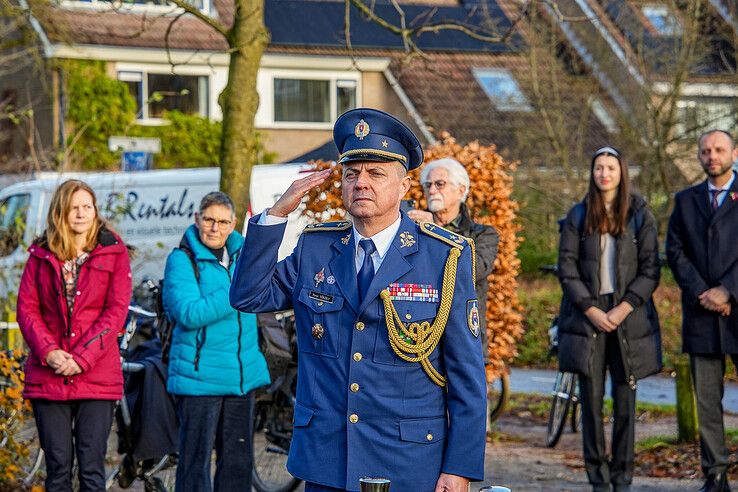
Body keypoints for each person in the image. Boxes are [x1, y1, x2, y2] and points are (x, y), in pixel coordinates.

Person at [230, 108, 487, 492]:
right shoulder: (316, 249)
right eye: (352, 174)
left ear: (403, 188)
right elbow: (249, 295)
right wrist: (276, 215)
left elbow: (467, 375)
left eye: (376, 173)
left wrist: (460, 468)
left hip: (408, 462)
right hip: (328, 460)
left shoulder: (443, 257)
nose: (361, 183)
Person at [557, 146, 661, 492]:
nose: (604, 173)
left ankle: (622, 477)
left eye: (610, 168)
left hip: (627, 315)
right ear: (592, 172)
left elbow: (650, 268)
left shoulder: (640, 214)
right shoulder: (578, 214)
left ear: (621, 172)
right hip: (588, 315)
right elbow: (567, 267)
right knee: (590, 401)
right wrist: (591, 309)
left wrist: (624, 307)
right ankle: (598, 480)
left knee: (625, 401)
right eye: (598, 167)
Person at [17, 179, 132, 491]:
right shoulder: (40, 255)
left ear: (95, 210)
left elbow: (116, 310)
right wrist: (50, 353)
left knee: (92, 468)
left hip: (96, 374)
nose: (81, 213)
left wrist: (82, 358)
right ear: (60, 213)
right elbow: (27, 309)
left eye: (87, 206)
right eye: (74, 208)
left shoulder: (114, 252)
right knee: (57, 469)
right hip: (49, 374)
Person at [163, 191, 270, 492]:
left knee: (238, 464)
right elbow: (189, 313)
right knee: (195, 465)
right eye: (209, 219)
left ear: (234, 223)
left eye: (223, 222)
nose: (215, 228)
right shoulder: (182, 259)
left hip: (241, 378)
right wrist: (240, 289)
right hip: (199, 379)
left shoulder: (245, 255)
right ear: (197, 219)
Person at [666, 129, 738, 492]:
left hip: (737, 310)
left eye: (719, 149)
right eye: (706, 150)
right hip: (700, 314)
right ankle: (716, 475)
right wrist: (703, 293)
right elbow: (675, 252)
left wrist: (729, 290)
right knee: (707, 403)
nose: (712, 156)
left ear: (734, 152)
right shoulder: (685, 200)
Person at [407, 157, 499, 361]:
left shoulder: (483, 234)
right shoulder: (413, 230)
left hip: (465, 334)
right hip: (421, 334)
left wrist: (435, 231)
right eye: (427, 185)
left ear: (461, 189)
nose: (431, 190)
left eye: (440, 184)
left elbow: (474, 269)